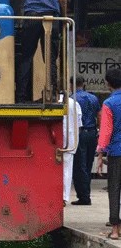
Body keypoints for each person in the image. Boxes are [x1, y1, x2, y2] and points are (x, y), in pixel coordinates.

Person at [14, 0, 69, 103]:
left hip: (31, 17)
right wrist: (63, 18)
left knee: (26, 56)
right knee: (50, 58)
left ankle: (21, 96)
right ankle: (51, 94)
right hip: (51, 19)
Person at [96, 68, 121, 240]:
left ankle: (115, 230)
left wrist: (99, 154)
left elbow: (106, 131)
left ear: (108, 83)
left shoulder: (109, 104)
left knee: (114, 189)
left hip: (116, 153)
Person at [71, 75, 102, 205]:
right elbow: (99, 115)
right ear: (83, 84)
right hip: (92, 133)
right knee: (88, 164)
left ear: (71, 84)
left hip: (81, 133)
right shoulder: (93, 97)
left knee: (79, 165)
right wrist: (98, 130)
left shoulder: (72, 99)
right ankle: (86, 193)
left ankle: (84, 196)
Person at [63, 93, 82, 206]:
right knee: (67, 170)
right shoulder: (74, 104)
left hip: (56, 138)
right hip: (70, 141)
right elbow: (79, 124)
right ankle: (64, 197)